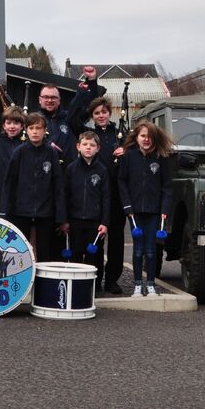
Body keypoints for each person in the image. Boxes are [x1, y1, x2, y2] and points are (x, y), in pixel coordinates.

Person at [0, 112, 65, 262]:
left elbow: (58, 185)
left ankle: (42, 285)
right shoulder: (19, 152)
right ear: (26, 130)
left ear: (45, 130)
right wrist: (4, 212)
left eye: (39, 128)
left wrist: (61, 216)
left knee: (44, 252)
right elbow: (9, 183)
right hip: (21, 211)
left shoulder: (52, 153)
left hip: (45, 212)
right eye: (31, 128)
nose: (35, 132)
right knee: (20, 251)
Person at [77, 95, 127, 294]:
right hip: (96, 194)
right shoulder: (89, 136)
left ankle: (112, 279)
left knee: (116, 240)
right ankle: (95, 279)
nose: (101, 116)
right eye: (96, 113)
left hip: (117, 194)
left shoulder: (120, 134)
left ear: (109, 112)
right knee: (97, 238)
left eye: (104, 112)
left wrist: (125, 152)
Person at [118, 120, 172, 297]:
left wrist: (164, 208)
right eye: (143, 136)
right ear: (137, 137)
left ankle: (150, 285)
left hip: (154, 211)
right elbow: (122, 181)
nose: (146, 139)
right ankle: (136, 285)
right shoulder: (129, 156)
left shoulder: (161, 158)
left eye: (149, 136)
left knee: (151, 250)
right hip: (134, 212)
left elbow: (167, 186)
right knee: (138, 249)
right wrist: (127, 206)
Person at [61, 131, 110, 287]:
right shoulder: (70, 169)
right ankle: (75, 286)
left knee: (94, 254)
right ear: (78, 147)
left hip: (94, 221)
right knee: (75, 253)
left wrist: (105, 222)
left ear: (98, 148)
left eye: (92, 145)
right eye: (85, 144)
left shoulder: (102, 170)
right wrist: (65, 220)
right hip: (75, 220)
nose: (88, 148)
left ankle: (93, 287)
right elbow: (65, 196)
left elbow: (106, 198)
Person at [35, 70, 99, 163]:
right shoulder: (33, 121)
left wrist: (92, 81)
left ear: (59, 100)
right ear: (40, 100)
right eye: (46, 97)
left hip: (68, 173)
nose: (49, 100)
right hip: (44, 172)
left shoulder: (70, 118)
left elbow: (92, 106)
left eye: (53, 97)